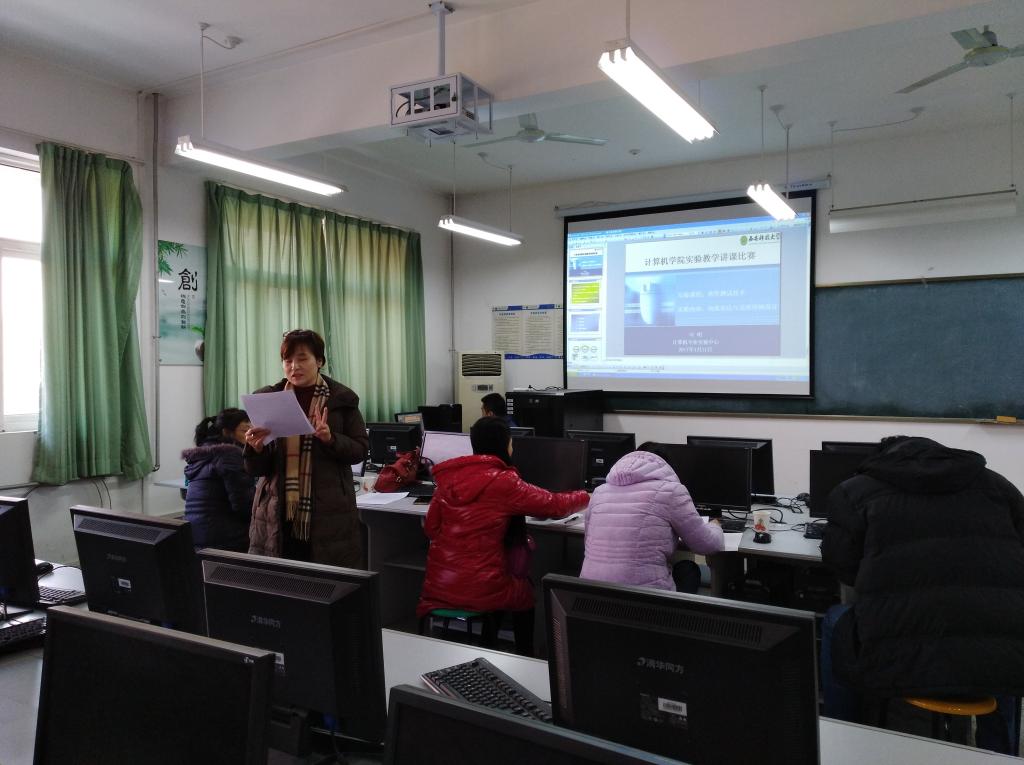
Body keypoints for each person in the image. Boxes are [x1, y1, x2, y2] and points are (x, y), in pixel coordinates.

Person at [821, 435, 1024, 754]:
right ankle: (1000, 753)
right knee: (1003, 643)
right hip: (994, 656)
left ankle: (840, 737)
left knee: (835, 620)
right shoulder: (1000, 487)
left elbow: (843, 567)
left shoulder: (855, 492)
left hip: (899, 657)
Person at [417, 416, 589, 655]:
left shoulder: (447, 479)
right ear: (505, 444)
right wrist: (586, 496)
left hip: (440, 586)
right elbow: (553, 505)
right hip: (481, 588)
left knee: (501, 577)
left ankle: (488, 644)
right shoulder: (503, 481)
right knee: (524, 594)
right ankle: (526, 656)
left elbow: (431, 528)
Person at [243, 329, 369, 568]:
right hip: (276, 510)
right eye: (287, 360)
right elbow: (256, 470)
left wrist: (330, 439)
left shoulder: (341, 400)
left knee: (324, 580)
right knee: (279, 580)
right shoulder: (269, 398)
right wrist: (255, 449)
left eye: (302, 359)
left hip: (328, 510)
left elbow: (360, 450)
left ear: (319, 361)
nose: (294, 366)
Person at [580, 443, 725, 593]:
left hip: (590, 595)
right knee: (688, 569)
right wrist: (715, 525)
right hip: (645, 599)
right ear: (666, 466)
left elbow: (587, 542)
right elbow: (708, 545)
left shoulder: (599, 492)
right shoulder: (671, 491)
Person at [182, 408, 256, 552]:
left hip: (196, 535)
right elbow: (244, 506)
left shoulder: (203, 454)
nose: (250, 436)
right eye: (245, 431)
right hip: (224, 539)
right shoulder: (230, 455)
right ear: (226, 432)